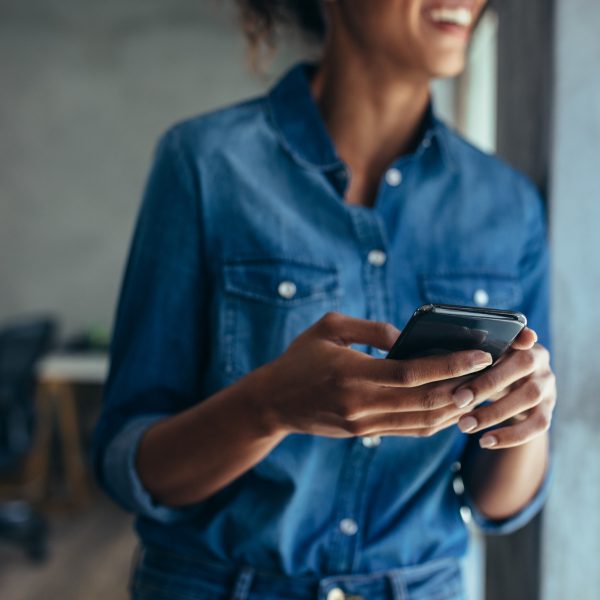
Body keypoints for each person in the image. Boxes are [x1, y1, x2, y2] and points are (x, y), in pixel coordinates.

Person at [93, 1, 557, 599]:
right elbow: (130, 464)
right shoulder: (204, 165)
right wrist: (267, 407)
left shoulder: (508, 204)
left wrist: (525, 418)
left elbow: (500, 503)